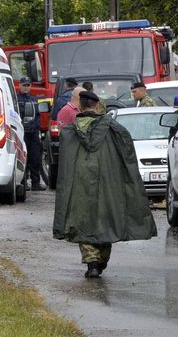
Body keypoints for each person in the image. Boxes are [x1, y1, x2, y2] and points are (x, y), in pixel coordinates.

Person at [53, 90, 157, 278]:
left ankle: (92, 262)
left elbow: (65, 163)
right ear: (97, 105)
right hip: (109, 182)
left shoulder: (69, 131)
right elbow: (127, 155)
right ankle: (101, 260)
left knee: (83, 220)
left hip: (80, 183)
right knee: (106, 219)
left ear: (80, 107)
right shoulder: (114, 128)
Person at [17, 77, 45, 190]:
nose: (26, 87)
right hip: (22, 133)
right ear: (20, 85)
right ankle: (23, 183)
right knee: (23, 159)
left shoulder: (34, 99)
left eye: (28, 85)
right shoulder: (16, 99)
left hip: (33, 133)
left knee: (35, 158)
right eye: (24, 85)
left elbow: (38, 116)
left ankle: (35, 183)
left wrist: (37, 130)